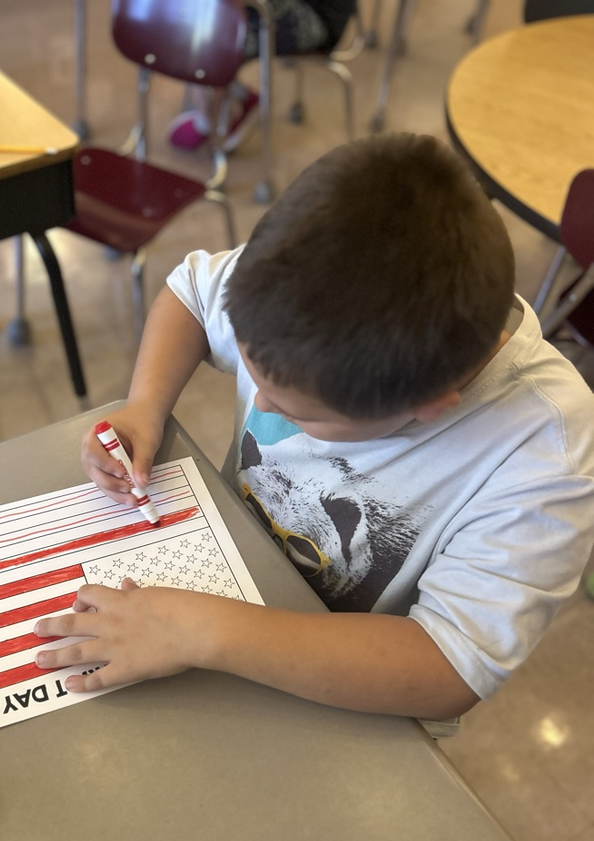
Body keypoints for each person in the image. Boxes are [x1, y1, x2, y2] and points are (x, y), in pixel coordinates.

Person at [34, 133, 594, 722]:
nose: (265, 411)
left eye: (301, 414)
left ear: (429, 405)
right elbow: (192, 296)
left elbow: (450, 665)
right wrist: (144, 405)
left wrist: (199, 630)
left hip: (346, 693)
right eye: (255, 378)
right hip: (230, 580)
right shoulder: (309, 279)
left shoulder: (549, 453)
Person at [168, 0, 356, 151]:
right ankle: (231, 100)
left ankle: (212, 117)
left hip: (316, 14)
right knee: (197, 16)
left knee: (212, 29)